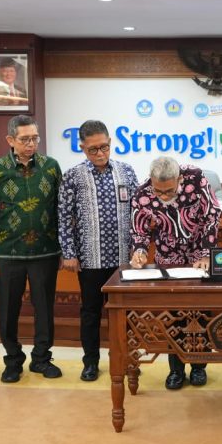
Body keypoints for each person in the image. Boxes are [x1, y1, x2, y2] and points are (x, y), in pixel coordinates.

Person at [0, 114, 62, 383]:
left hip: (45, 252)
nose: (31, 144)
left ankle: (41, 359)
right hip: (7, 254)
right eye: (25, 139)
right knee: (7, 311)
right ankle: (13, 360)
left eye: (35, 138)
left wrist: (63, 249)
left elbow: (60, 210)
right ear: (10, 140)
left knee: (44, 309)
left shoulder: (51, 166)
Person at [130, 156, 221, 390]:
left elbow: (212, 215)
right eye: (158, 191)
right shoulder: (142, 193)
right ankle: (176, 370)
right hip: (168, 257)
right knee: (173, 317)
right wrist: (140, 251)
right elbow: (139, 230)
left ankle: (199, 366)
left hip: (199, 254)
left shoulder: (196, 178)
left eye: (168, 191)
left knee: (200, 313)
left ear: (179, 179)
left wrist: (205, 254)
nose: (163, 196)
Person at [59, 119, 138, 382]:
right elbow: (64, 217)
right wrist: (69, 253)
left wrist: (138, 248)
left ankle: (124, 359)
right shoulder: (73, 176)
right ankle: (91, 362)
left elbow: (138, 213)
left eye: (104, 147)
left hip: (123, 259)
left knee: (124, 314)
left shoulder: (126, 171)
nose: (100, 153)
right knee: (91, 313)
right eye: (93, 149)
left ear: (110, 143)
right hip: (90, 258)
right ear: (82, 147)